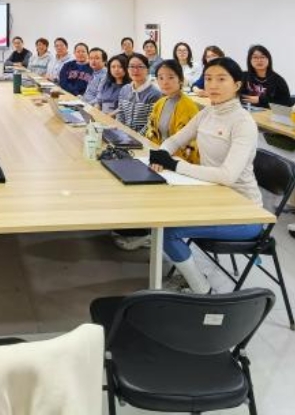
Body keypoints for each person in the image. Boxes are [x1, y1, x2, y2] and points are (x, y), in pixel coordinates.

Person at [147, 57, 264, 293]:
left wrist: (176, 165)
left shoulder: (243, 122)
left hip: (245, 212)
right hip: (212, 197)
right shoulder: (208, 112)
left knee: (167, 231)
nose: (213, 85)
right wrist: (161, 154)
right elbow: (176, 139)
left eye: (221, 79)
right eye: (208, 78)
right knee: (158, 213)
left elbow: (227, 176)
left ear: (237, 85)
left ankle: (202, 289)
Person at [112, 59, 202, 251]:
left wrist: (164, 160)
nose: (165, 82)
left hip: (179, 164)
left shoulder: (188, 106)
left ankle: (147, 233)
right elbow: (151, 133)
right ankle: (139, 229)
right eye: (160, 78)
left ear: (181, 79)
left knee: (139, 183)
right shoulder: (161, 102)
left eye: (170, 77)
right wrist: (152, 155)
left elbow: (188, 146)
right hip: (161, 158)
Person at [114, 53, 162, 132]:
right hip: (124, 135)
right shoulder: (124, 89)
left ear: (147, 69)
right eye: (132, 66)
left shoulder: (155, 93)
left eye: (140, 66)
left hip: (143, 137)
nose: (135, 70)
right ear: (127, 69)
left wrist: (135, 137)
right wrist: (121, 133)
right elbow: (120, 114)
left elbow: (151, 124)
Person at [240, 44, 292, 108]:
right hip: (246, 111)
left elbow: (286, 103)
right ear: (249, 60)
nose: (259, 60)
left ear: (268, 59)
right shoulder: (243, 76)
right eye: (255, 57)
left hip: (269, 112)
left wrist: (260, 100)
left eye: (262, 57)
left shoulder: (278, 80)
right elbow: (236, 96)